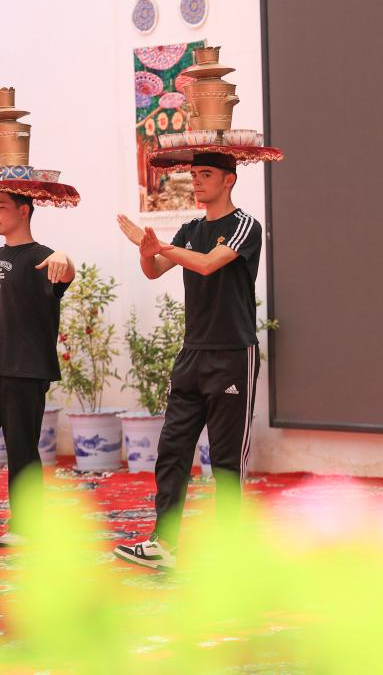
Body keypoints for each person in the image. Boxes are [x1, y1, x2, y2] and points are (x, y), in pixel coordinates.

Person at [113, 152, 262, 570]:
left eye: (206, 174)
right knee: (172, 450)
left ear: (229, 180)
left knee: (227, 461)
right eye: (193, 174)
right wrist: (147, 251)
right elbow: (154, 269)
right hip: (191, 353)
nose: (196, 181)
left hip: (233, 354)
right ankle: (163, 543)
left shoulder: (245, 225)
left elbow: (209, 264)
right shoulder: (190, 229)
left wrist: (160, 246)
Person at [0, 192, 76, 546]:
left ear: (23, 210)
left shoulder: (44, 258)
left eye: (1, 206)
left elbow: (67, 273)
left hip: (24, 372)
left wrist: (64, 257)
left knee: (21, 450)